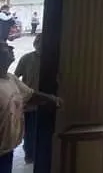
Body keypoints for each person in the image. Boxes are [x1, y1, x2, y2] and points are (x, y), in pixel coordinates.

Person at [0, 42, 61, 171]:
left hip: (7, 150)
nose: (12, 47)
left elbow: (31, 95)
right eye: (5, 47)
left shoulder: (11, 79)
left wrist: (52, 99)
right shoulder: (27, 59)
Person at [15, 34, 41, 164]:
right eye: (38, 41)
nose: (40, 44)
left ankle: (39, 154)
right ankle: (29, 155)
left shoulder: (53, 59)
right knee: (29, 131)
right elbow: (15, 76)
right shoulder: (26, 58)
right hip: (30, 103)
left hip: (45, 102)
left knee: (43, 130)